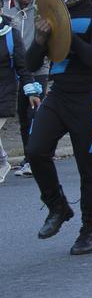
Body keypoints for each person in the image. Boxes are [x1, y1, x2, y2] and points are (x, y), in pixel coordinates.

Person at [24, 0, 92, 255]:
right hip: (59, 94)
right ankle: (58, 206)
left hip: (89, 97)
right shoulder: (48, 13)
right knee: (35, 150)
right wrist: (40, 38)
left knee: (87, 167)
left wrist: (65, 34)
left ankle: (89, 231)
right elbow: (33, 63)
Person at [4, 0, 48, 178]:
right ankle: (27, 157)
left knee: (34, 116)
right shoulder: (9, 15)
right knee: (23, 117)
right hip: (18, 72)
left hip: (38, 70)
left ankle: (35, 158)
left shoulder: (39, 14)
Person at [0, 15, 38, 183]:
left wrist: (31, 92)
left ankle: (2, 163)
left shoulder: (10, 34)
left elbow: (23, 66)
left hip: (4, 92)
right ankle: (2, 161)